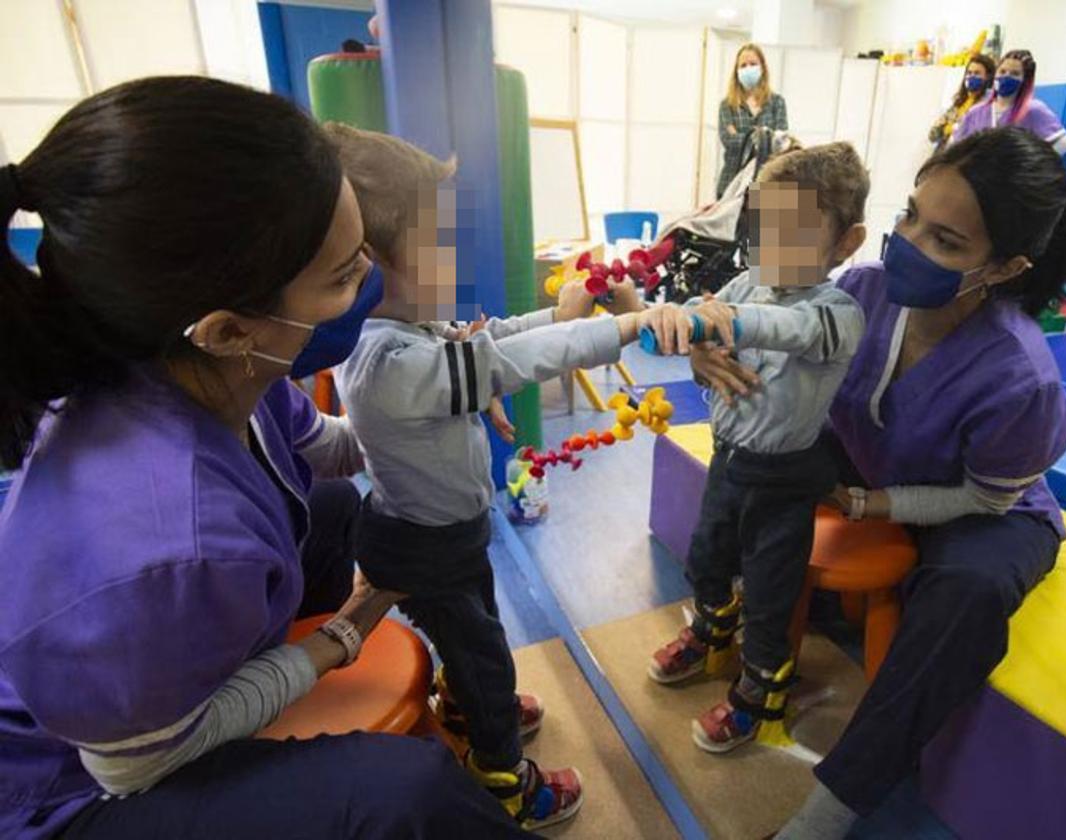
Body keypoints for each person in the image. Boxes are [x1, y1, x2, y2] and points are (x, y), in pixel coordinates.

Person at [0, 76, 533, 840]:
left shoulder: (228, 376)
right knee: (406, 797)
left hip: (154, 659)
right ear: (226, 329)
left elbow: (345, 450)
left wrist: (442, 402)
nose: (372, 290)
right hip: (84, 788)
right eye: (348, 276)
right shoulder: (164, 542)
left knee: (337, 509)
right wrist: (343, 635)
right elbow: (133, 767)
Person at [689, 127, 1066, 839]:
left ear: (1005, 266)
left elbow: (985, 496)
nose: (907, 242)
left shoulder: (1018, 375)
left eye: (945, 240)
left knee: (966, 597)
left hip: (983, 511)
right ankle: (720, 609)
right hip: (870, 462)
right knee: (755, 449)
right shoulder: (864, 292)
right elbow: (771, 351)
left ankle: (832, 808)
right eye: (910, 215)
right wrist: (705, 350)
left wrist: (873, 504)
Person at [323, 125, 683, 831]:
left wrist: (559, 313)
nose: (453, 260)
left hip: (452, 535)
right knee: (488, 656)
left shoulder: (415, 326)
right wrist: (626, 329)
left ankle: (463, 700)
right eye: (437, 245)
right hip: (425, 545)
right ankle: (501, 778)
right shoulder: (389, 363)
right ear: (365, 268)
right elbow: (503, 365)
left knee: (475, 629)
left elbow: (489, 340)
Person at [646, 144, 869, 755]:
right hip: (728, 460)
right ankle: (712, 632)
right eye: (765, 225)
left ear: (846, 243)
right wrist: (695, 346)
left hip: (785, 478)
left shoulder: (838, 313)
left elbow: (784, 330)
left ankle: (760, 694)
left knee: (771, 595)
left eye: (795, 230)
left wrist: (722, 323)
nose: (773, 242)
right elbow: (702, 320)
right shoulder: (749, 280)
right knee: (707, 556)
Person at [953, 49, 1066, 155]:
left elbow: (1063, 143)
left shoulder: (1033, 110)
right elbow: (956, 147)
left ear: (1025, 80)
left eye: (1015, 73)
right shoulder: (976, 112)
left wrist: (1032, 169)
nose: (1006, 76)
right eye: (1002, 71)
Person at [716, 43, 789, 198]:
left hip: (766, 183)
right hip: (731, 182)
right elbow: (729, 141)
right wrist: (763, 138)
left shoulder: (777, 103)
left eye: (753, 64)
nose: (748, 68)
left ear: (762, 68)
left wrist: (742, 136)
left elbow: (781, 144)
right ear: (736, 71)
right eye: (743, 65)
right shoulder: (727, 105)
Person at [928, 54, 996, 153]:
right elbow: (933, 134)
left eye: (977, 73)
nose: (971, 76)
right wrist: (945, 130)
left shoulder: (988, 104)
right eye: (969, 73)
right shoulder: (960, 102)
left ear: (988, 77)